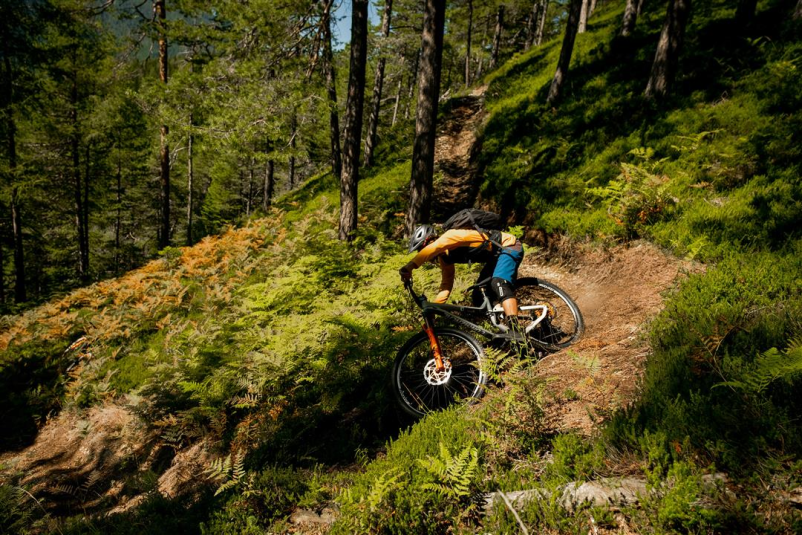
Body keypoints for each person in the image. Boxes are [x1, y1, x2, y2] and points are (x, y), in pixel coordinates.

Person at [399, 223, 526, 340]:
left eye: (421, 248)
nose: (426, 256)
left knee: (498, 282)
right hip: (495, 257)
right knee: (478, 297)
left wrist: (409, 266)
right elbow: (446, 284)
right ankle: (503, 329)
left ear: (429, 241)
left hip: (508, 246)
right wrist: (435, 308)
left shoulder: (450, 236)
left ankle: (515, 331)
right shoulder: (445, 257)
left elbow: (435, 247)